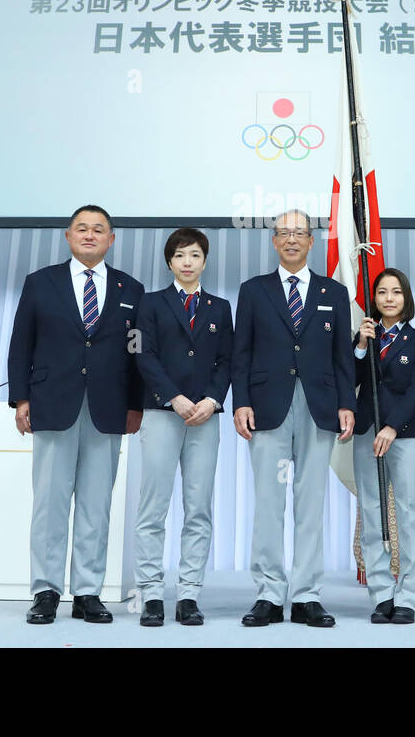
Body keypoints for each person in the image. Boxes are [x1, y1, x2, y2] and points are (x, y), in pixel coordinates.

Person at [7, 205, 144, 626]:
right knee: (49, 503)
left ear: (111, 239)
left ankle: (88, 592)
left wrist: (136, 403)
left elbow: (137, 351)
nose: (89, 235)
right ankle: (45, 591)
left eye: (98, 229)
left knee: (96, 504)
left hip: (108, 408)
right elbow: (21, 344)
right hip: (52, 403)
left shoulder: (131, 289)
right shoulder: (40, 282)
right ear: (68, 236)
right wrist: (20, 398)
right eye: (81, 229)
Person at [231, 210, 356, 628]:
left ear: (311, 241)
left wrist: (346, 404)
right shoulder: (253, 290)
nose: (291, 240)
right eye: (283, 233)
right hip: (267, 407)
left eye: (299, 233)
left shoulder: (334, 292)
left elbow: (342, 356)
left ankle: (305, 595)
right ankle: (268, 592)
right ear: (273, 241)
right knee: (268, 501)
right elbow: (241, 353)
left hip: (320, 407)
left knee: (311, 502)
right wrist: (241, 401)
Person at [132, 227, 233, 627]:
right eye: (179, 256)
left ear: (204, 261)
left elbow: (228, 360)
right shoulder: (150, 304)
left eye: (194, 255)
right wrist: (173, 397)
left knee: (199, 509)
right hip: (162, 413)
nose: (187, 262)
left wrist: (212, 399)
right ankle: (152, 594)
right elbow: (143, 354)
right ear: (169, 262)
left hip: (206, 417)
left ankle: (189, 594)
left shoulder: (221, 308)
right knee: (152, 507)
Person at [352, 267, 415, 624]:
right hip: (366, 432)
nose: (388, 298)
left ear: (406, 298)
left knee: (410, 512)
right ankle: (381, 593)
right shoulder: (362, 338)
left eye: (396, 292)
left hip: (404, 433)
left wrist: (392, 427)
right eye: (382, 292)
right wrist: (361, 346)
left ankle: (409, 596)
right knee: (372, 512)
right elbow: (348, 379)